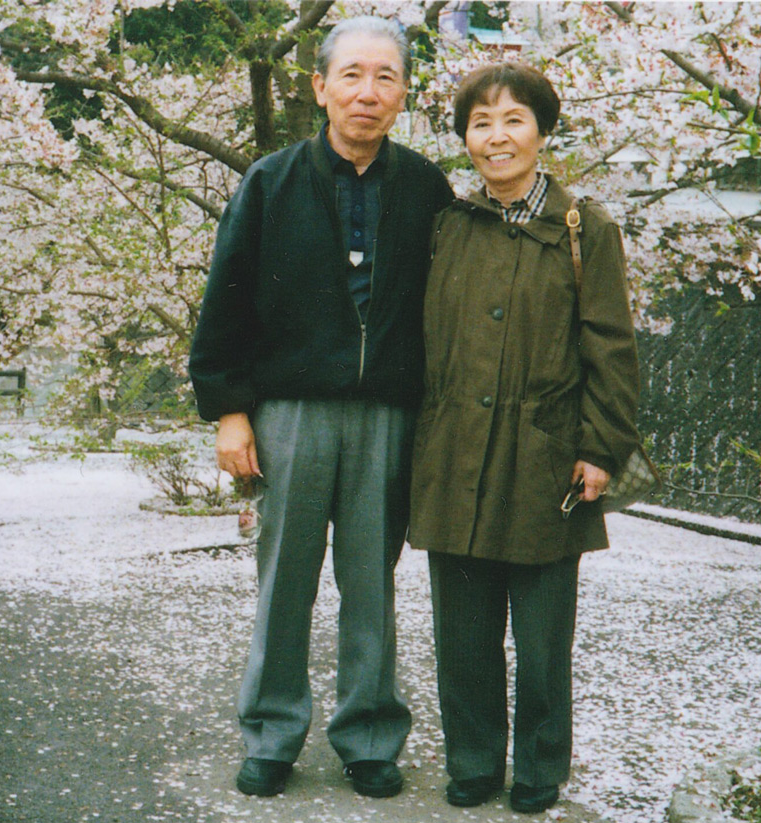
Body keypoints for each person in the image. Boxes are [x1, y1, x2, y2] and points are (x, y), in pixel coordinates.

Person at [188, 15, 453, 800]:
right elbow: (225, 301)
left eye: (385, 77)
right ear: (319, 87)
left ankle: (369, 734)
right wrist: (230, 412)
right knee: (285, 581)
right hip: (290, 413)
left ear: (404, 93)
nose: (367, 92)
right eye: (351, 75)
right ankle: (271, 732)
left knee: (372, 581)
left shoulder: (426, 188)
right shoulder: (271, 181)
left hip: (386, 417)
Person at [408, 62, 641, 814]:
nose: (496, 136)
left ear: (542, 130)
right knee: (464, 633)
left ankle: (540, 766)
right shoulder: (449, 226)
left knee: (542, 640)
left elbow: (610, 344)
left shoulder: (584, 228)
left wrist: (602, 447)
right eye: (481, 123)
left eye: (513, 119)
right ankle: (474, 760)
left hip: (545, 458)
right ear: (465, 138)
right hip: (457, 454)